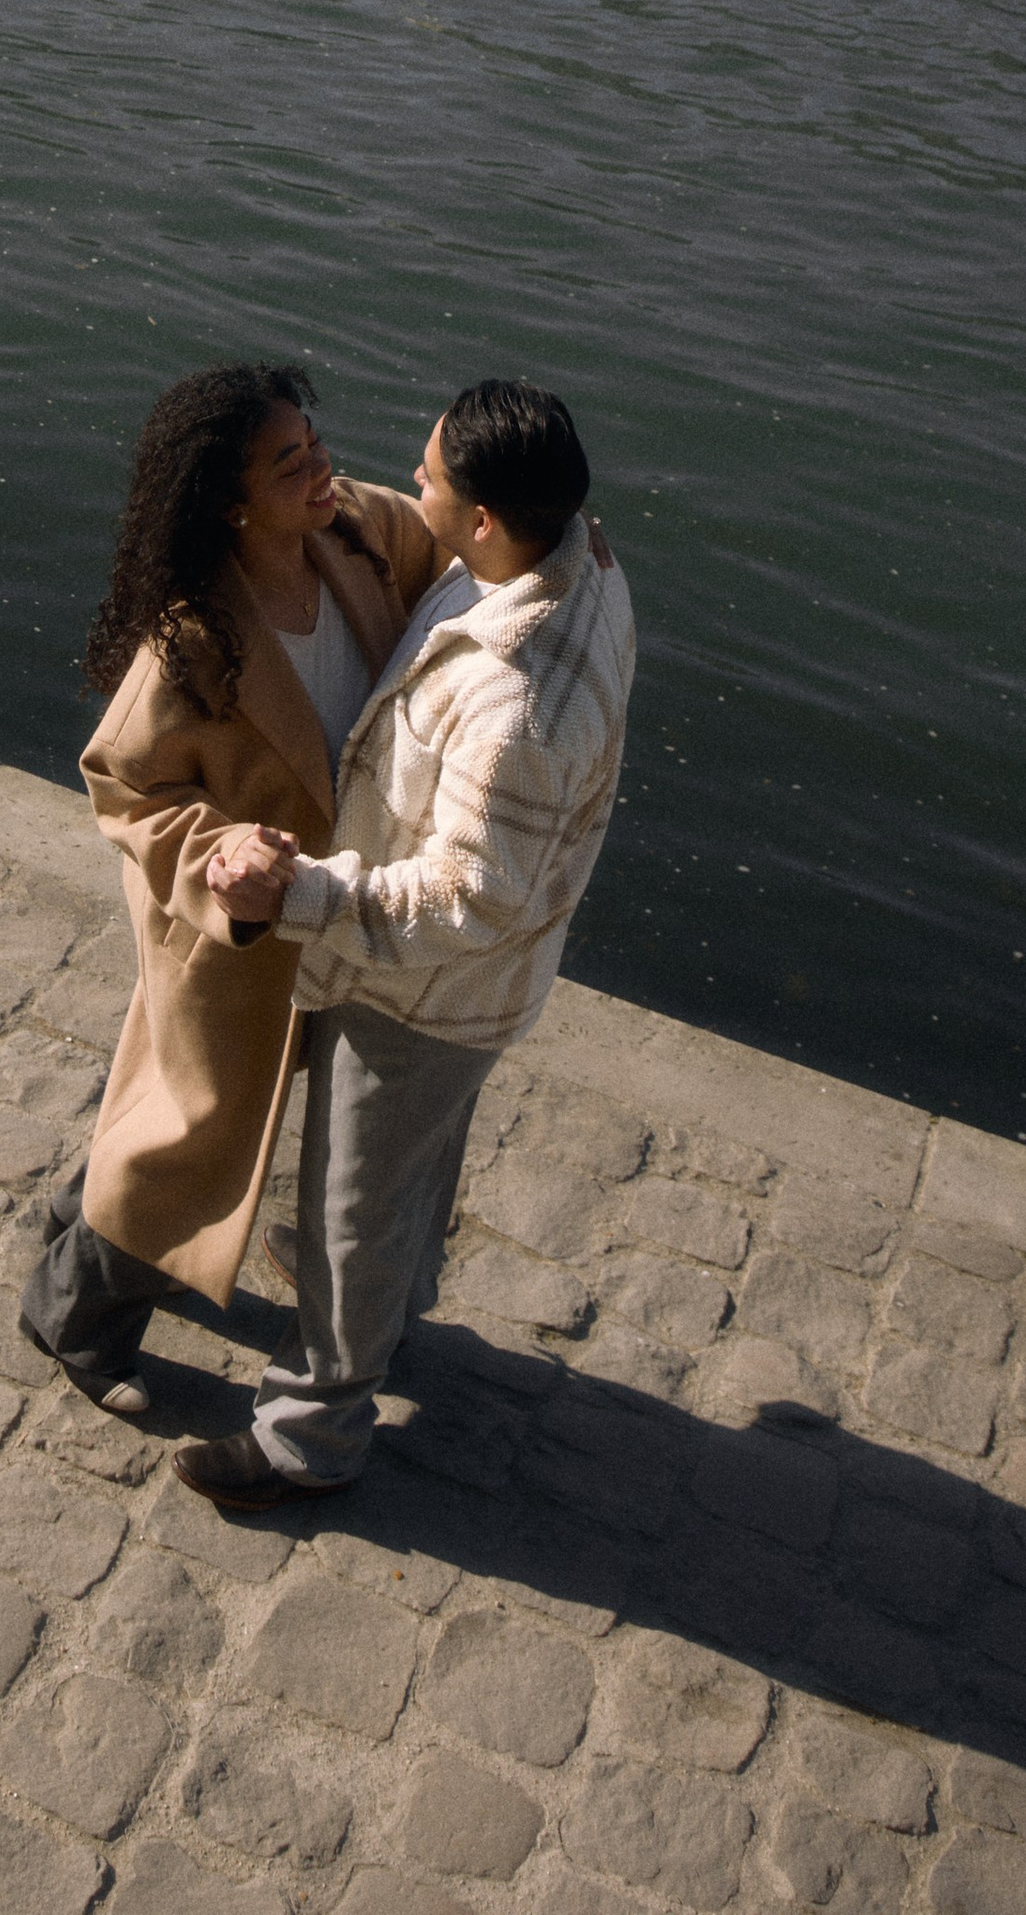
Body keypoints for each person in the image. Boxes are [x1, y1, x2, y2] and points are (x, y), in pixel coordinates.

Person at [171, 378, 635, 1505]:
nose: (406, 482)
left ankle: (309, 1433)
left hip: (423, 991)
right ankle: (400, 1301)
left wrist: (301, 898)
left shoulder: (513, 702)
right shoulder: (578, 556)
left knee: (351, 1209)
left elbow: (468, 899)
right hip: (482, 990)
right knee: (411, 1170)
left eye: (426, 478)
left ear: (482, 519)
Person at [18, 359, 438, 1413]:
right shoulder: (195, 640)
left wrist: (561, 552)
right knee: (191, 1141)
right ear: (230, 498)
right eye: (288, 462)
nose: (320, 467)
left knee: (168, 1120)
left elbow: (465, 540)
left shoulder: (355, 536)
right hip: (234, 934)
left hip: (336, 909)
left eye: (315, 444)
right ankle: (73, 1321)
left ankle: (76, 1221)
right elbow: (124, 786)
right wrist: (220, 856)